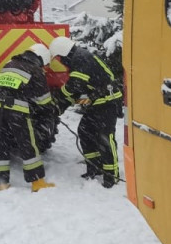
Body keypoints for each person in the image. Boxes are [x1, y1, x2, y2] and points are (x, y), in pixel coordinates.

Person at [49, 37, 123, 188]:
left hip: (108, 102)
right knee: (85, 131)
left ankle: (111, 175)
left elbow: (72, 87)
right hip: (97, 103)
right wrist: (59, 107)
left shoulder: (81, 60)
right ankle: (94, 168)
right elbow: (78, 92)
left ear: (63, 52)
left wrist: (57, 98)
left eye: (58, 57)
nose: (59, 61)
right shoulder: (78, 58)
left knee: (105, 137)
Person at [0, 43, 56, 192]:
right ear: (41, 59)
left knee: (0, 144)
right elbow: (43, 100)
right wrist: (49, 112)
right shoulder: (35, 70)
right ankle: (37, 182)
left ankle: (1, 183)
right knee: (28, 145)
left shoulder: (9, 64)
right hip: (16, 110)